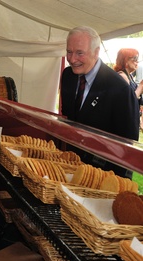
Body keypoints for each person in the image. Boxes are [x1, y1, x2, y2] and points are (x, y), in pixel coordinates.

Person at [60, 26, 140, 179]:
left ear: (96, 52)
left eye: (79, 53)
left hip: (102, 177)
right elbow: (68, 119)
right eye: (69, 51)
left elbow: (127, 146)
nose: (71, 59)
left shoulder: (120, 89)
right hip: (69, 169)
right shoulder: (68, 76)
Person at [113, 48, 143, 130]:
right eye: (135, 58)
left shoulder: (130, 76)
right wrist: (140, 86)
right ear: (125, 61)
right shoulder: (122, 76)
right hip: (124, 123)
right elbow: (128, 101)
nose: (137, 61)